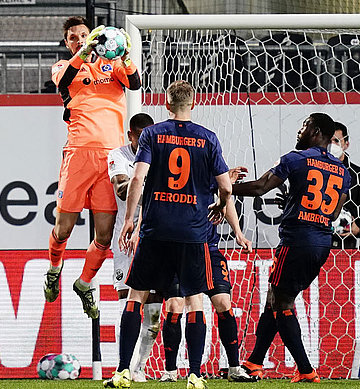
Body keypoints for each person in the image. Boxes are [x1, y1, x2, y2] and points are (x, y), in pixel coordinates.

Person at [104, 80, 231, 389]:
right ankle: (196, 376)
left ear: (167, 104)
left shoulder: (152, 134)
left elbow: (137, 178)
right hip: (193, 231)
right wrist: (221, 204)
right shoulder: (209, 138)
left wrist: (129, 219)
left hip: (156, 229)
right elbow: (226, 186)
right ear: (194, 103)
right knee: (194, 302)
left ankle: (122, 372)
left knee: (136, 297)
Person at [232, 113, 351, 383]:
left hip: (297, 240)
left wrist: (223, 186)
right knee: (274, 298)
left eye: (304, 126)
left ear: (316, 131)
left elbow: (261, 187)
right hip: (321, 243)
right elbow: (333, 214)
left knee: (281, 302)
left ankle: (306, 369)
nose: (299, 131)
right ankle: (254, 362)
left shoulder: (294, 159)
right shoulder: (342, 170)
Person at [44, 16, 141, 320]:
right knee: (64, 228)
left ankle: (84, 283)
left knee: (104, 234)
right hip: (79, 154)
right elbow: (65, 77)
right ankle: (54, 268)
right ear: (67, 42)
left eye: (84, 35)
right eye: (74, 37)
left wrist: (124, 54)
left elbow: (135, 83)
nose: (80, 40)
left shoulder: (112, 67)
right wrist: (85, 50)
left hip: (111, 158)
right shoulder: (64, 65)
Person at [159, 187, 255, 383]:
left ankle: (234, 367)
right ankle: (171, 370)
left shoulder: (208, 165)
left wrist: (238, 233)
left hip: (208, 249)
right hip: (173, 249)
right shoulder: (169, 170)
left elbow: (225, 195)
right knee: (175, 306)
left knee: (223, 302)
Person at [107, 112, 161, 382]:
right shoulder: (119, 156)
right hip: (126, 238)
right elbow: (121, 188)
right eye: (140, 137)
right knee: (126, 299)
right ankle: (123, 365)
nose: (145, 141)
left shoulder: (161, 153)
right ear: (131, 136)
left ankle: (139, 367)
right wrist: (148, 181)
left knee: (154, 307)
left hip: (155, 236)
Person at [328, 122, 360, 249]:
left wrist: (359, 227)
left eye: (336, 141)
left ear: (346, 144)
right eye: (328, 141)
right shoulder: (312, 172)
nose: (332, 145)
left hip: (346, 245)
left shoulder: (358, 175)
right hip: (316, 243)